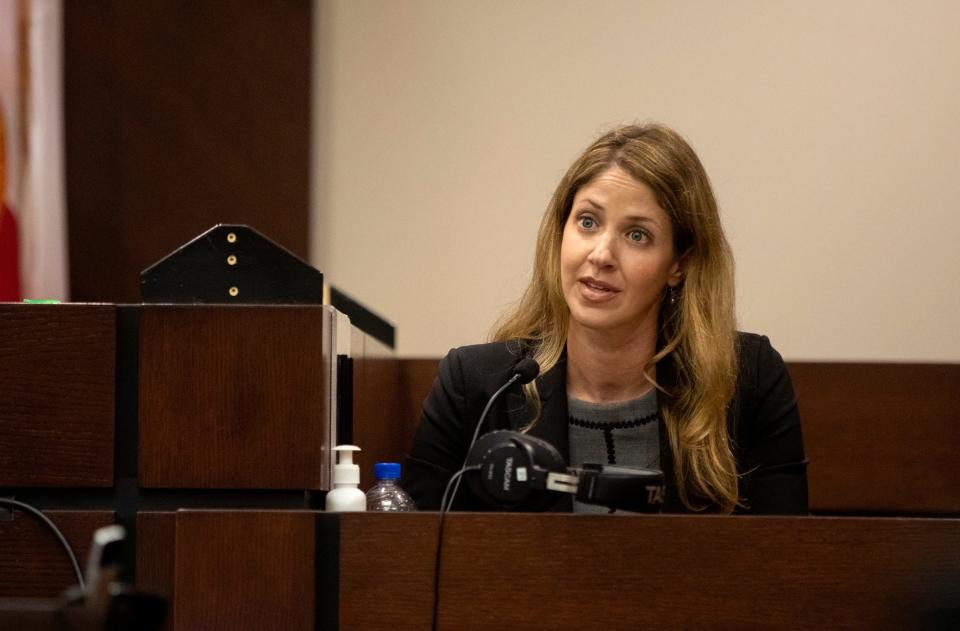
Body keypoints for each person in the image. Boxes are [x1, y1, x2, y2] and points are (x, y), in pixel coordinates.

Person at [402, 123, 807, 514]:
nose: (600, 255)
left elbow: (785, 564)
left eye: (637, 235)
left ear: (679, 264)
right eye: (588, 222)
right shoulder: (476, 386)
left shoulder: (747, 381)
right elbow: (414, 558)